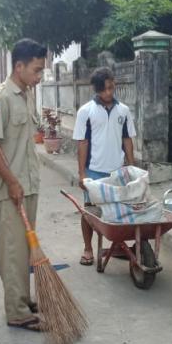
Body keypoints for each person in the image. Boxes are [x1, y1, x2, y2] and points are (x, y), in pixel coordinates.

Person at [0, 39, 46, 331]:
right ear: (19, 66)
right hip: (12, 190)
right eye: (36, 70)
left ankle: (21, 298)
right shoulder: (0, 99)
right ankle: (17, 311)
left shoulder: (26, 95)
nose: (39, 76)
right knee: (12, 249)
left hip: (28, 186)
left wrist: (24, 183)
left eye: (41, 70)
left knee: (23, 247)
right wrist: (11, 181)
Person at [72, 67, 137, 265]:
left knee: (118, 210)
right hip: (93, 171)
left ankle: (117, 244)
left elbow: (127, 140)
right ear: (97, 89)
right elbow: (82, 143)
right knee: (90, 211)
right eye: (106, 89)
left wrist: (131, 168)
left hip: (116, 170)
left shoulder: (123, 111)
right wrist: (82, 173)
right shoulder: (86, 112)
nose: (110, 92)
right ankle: (88, 248)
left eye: (112, 87)